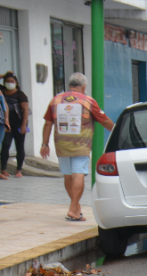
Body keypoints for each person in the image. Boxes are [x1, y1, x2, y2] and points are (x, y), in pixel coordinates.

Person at [40, 73, 114, 222]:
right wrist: (118, 131)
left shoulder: (55, 100)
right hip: (81, 145)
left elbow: (48, 123)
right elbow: (104, 121)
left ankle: (76, 207)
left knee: (68, 176)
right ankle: (73, 209)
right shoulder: (88, 101)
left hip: (61, 145)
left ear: (69, 85)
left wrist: (44, 144)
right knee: (78, 175)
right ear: (84, 86)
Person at [0, 72, 29, 178]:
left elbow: (25, 110)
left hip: (19, 124)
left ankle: (19, 170)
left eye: (12, 81)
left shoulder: (20, 94)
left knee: (20, 147)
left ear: (16, 83)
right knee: (5, 145)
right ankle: (3, 169)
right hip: (6, 124)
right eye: (7, 81)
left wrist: (24, 125)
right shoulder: (1, 90)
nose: (9, 83)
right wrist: (3, 75)